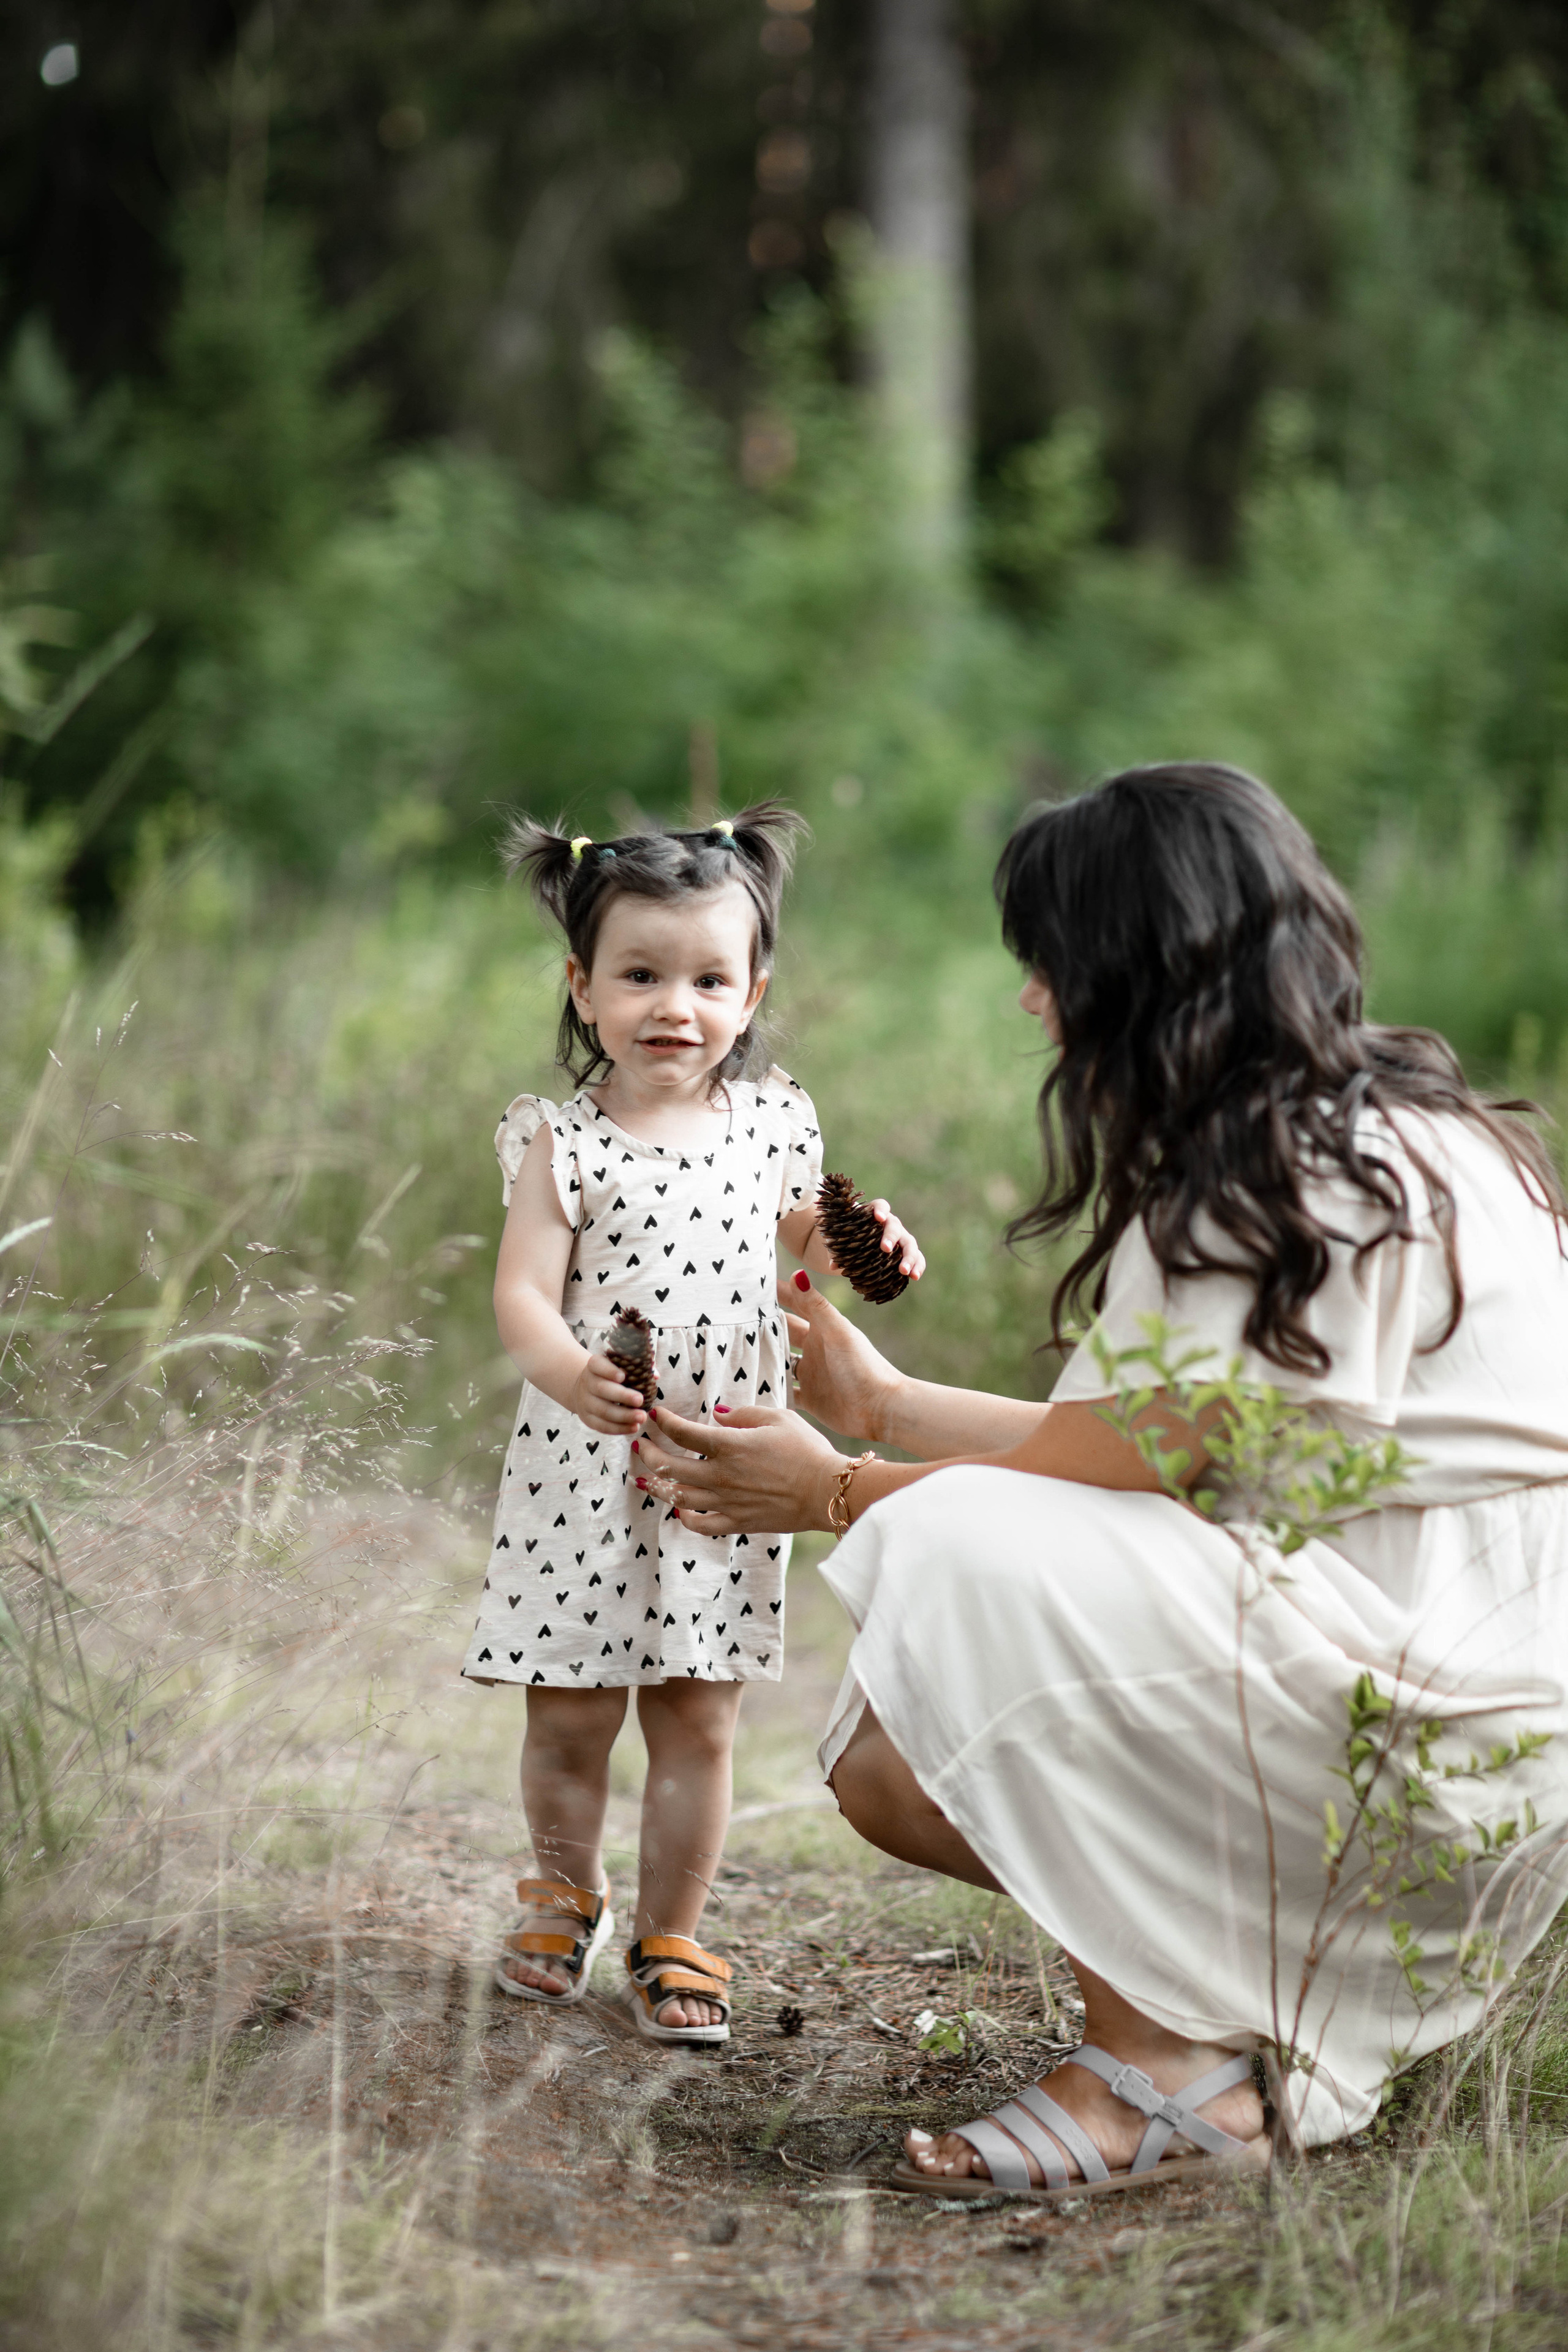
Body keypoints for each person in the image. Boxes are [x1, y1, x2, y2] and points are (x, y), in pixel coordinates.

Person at [637, 761, 1568, 2192]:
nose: (1032, 1000)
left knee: (951, 1563)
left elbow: (1138, 1491)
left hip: (1429, 1750)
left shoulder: (1296, 1173)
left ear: (1134, 968)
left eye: (1048, 964)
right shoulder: (1389, 1137)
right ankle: (1226, 2026)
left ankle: (1155, 2079)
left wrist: (832, 1489)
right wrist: (883, 1407)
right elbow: (1154, 1453)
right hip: (1464, 1744)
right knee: (887, 1756)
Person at [460, 805, 923, 2045]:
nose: (677, 1005)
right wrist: (564, 1374)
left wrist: (871, 1246)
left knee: (695, 1710)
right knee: (567, 1712)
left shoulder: (775, 1122)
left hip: (723, 1455)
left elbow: (815, 1236)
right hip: (582, 1458)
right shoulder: (563, 1138)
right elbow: (518, 1293)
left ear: (751, 987)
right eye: (642, 976)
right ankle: (564, 1892)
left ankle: (674, 1931)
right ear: (582, 985)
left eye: (709, 979)